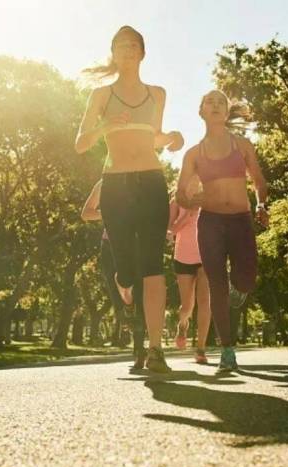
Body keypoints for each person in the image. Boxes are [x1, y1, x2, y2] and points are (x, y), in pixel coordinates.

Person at [75, 26, 184, 373]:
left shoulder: (157, 93)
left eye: (133, 45)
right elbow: (81, 143)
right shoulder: (101, 95)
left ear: (142, 52)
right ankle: (124, 288)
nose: (127, 50)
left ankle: (156, 351)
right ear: (113, 53)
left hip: (151, 182)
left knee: (153, 266)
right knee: (125, 269)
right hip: (116, 185)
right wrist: (106, 126)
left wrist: (171, 138)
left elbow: (153, 138)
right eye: (121, 46)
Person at [176, 89, 269, 374]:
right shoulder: (194, 154)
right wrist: (191, 201)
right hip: (210, 223)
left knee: (246, 279)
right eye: (210, 102)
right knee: (216, 286)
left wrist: (261, 204)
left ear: (227, 112)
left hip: (240, 219)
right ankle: (227, 351)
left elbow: (259, 181)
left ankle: (238, 290)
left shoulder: (243, 145)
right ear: (201, 111)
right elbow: (180, 193)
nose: (215, 105)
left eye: (221, 102)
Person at [81, 180, 147, 369]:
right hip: (109, 244)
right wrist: (109, 212)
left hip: (136, 243)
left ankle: (139, 349)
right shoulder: (104, 183)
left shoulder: (141, 179)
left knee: (139, 293)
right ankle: (125, 311)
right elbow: (86, 213)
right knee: (116, 288)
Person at [168, 178, 211, 364]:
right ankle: (183, 324)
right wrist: (188, 215)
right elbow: (170, 230)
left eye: (196, 179)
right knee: (187, 307)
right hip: (183, 258)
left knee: (205, 302)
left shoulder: (207, 199)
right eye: (189, 179)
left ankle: (201, 348)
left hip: (206, 256)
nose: (193, 183)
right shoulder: (176, 201)